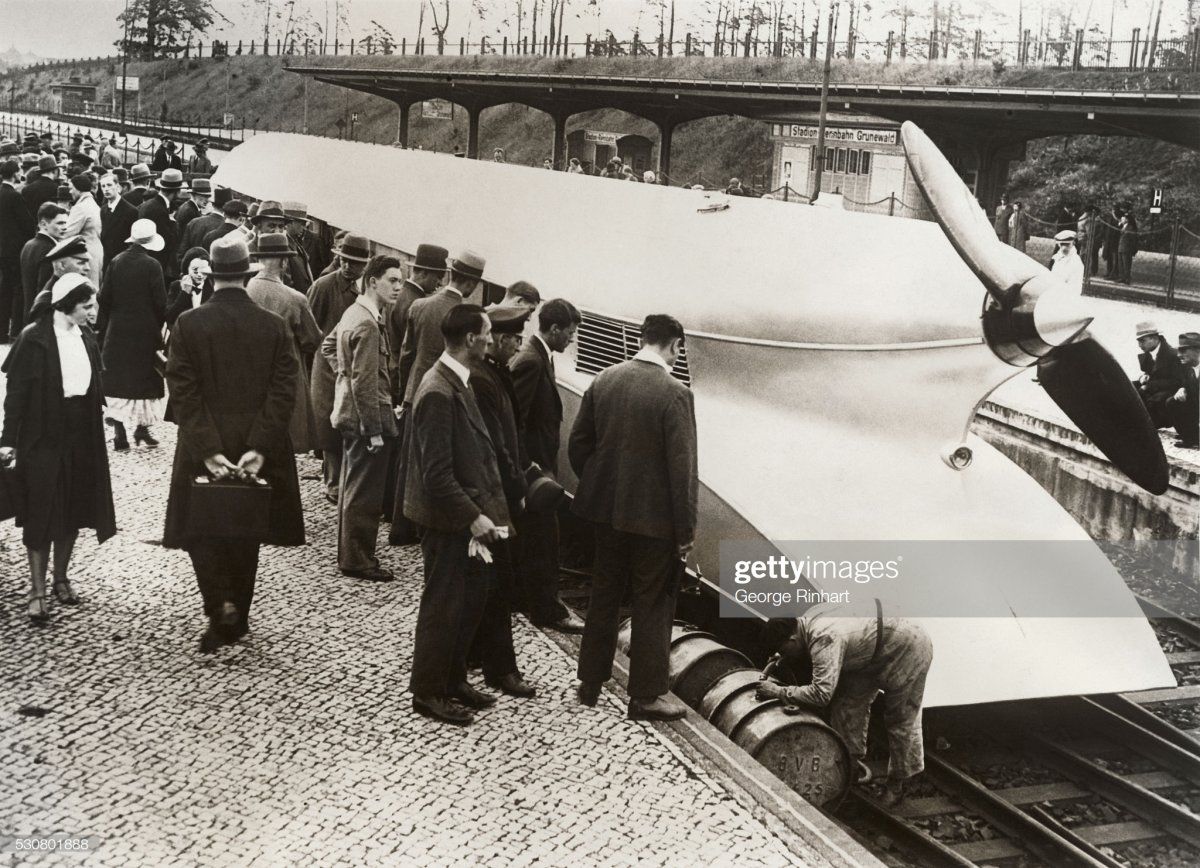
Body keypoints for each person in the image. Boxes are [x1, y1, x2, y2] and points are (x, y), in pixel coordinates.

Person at [162, 234, 304, 653]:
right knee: (246, 529)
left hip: (203, 441)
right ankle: (237, 613)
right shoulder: (273, 326)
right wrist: (259, 447)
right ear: (246, 273)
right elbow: (284, 391)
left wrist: (209, 450)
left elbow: (183, 392)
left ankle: (219, 603)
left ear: (214, 277)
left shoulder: (189, 325)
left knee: (200, 530)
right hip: (256, 442)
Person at [570, 314, 697, 720]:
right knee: (652, 604)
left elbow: (578, 444)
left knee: (603, 592)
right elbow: (683, 471)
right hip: (654, 524)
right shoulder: (675, 394)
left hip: (606, 514)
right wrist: (686, 531)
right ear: (675, 346)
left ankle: (590, 681)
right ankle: (645, 696)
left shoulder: (605, 379)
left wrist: (600, 485)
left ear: (642, 339)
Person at [405, 304, 510, 725]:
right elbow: (436, 474)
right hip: (446, 518)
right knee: (443, 603)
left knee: (469, 597)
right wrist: (473, 517)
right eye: (486, 333)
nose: (490, 338)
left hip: (457, 514)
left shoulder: (455, 380)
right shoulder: (438, 391)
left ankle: (452, 680)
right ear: (470, 338)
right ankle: (427, 691)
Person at [0, 273, 116, 622]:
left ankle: (61, 579)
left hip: (82, 433)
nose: (93, 311)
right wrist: (7, 441)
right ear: (67, 306)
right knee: (42, 510)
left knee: (73, 508)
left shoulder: (86, 337)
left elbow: (94, 385)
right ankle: (36, 591)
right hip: (42, 434)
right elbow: (16, 396)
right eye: (87, 305)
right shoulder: (33, 339)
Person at [757, 605, 934, 807]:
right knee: (847, 704)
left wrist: (778, 691)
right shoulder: (805, 622)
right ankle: (849, 765)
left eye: (783, 649)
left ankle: (897, 785)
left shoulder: (824, 638)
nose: (785, 654)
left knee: (901, 719)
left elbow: (820, 694)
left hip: (908, 645)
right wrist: (783, 655)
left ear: (792, 640)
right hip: (873, 649)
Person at [467, 305, 538, 699]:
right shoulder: (484, 380)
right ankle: (501, 669)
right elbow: (495, 444)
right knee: (500, 582)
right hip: (494, 497)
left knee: (491, 581)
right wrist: (518, 488)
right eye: (515, 338)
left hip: (498, 492)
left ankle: (476, 654)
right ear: (498, 339)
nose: (518, 346)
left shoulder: (493, 374)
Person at [324, 254, 403, 582]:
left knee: (351, 486)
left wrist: (342, 380)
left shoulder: (353, 312)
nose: (398, 288)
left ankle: (351, 553)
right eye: (393, 281)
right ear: (373, 281)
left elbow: (330, 348)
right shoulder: (369, 323)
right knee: (364, 492)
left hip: (349, 415)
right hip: (366, 421)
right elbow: (365, 382)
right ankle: (358, 559)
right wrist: (374, 431)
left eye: (400, 281)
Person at [510, 298, 585, 634]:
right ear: (553, 329)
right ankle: (548, 611)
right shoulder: (531, 361)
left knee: (534, 539)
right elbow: (516, 421)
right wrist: (530, 468)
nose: (571, 340)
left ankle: (525, 601)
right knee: (544, 541)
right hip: (535, 471)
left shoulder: (541, 356)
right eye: (569, 333)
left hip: (538, 468)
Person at [384, 243, 446, 538]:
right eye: (436, 277)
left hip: (405, 385)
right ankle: (403, 521)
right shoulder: (414, 302)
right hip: (408, 385)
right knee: (408, 460)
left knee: (401, 458)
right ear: (423, 273)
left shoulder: (407, 298)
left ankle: (395, 516)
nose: (438, 284)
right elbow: (406, 352)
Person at [308, 232, 371, 503]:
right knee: (329, 426)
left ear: (364, 266)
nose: (348, 266)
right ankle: (333, 483)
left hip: (353, 365)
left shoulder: (364, 290)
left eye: (355, 263)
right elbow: (310, 329)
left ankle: (342, 478)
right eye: (344, 260)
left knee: (349, 423)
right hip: (327, 367)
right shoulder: (323, 286)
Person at [246, 232, 322, 454]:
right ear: (284, 261)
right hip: (286, 375)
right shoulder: (294, 298)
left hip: (249, 373)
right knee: (284, 439)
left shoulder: (245, 291)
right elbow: (312, 340)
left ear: (258, 259)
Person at [99, 218, 167, 451]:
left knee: (118, 382)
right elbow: (160, 304)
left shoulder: (116, 262)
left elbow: (103, 298)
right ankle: (142, 429)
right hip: (144, 332)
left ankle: (120, 432)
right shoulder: (152, 265)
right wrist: (157, 324)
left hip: (118, 331)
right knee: (145, 381)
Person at [400, 251, 486, 408]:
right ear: (471, 283)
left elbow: (406, 356)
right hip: (445, 397)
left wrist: (404, 392)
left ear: (451, 273)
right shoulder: (467, 316)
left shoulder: (419, 305)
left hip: (413, 393)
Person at [1, 158, 35, 342]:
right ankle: (12, 331)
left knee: (3, 288)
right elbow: (27, 223)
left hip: (1, 249)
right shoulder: (14, 196)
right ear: (15, 174)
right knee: (15, 289)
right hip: (13, 251)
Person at [1133, 322, 1186, 429]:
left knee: (1155, 399)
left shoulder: (1173, 355)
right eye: (1138, 341)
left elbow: (1177, 381)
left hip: (1168, 393)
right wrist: (1143, 377)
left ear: (1154, 338)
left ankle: (1152, 422)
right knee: (1128, 386)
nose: (1139, 345)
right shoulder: (1149, 353)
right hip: (1154, 388)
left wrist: (1148, 386)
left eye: (1142, 341)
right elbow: (1151, 372)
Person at [20, 202, 66, 325]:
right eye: (60, 223)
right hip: (42, 319)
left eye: (65, 223)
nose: (65, 227)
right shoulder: (51, 250)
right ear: (43, 224)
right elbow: (45, 290)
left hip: (29, 315)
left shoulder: (29, 245)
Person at [137, 167, 184, 280]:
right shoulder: (160, 210)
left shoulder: (148, 205)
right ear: (176, 191)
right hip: (155, 266)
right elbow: (167, 242)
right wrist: (173, 224)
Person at [64, 174, 103, 289]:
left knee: (86, 289)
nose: (70, 192)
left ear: (78, 189)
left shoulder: (80, 207)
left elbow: (66, 233)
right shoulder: (94, 205)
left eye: (71, 188)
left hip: (85, 255)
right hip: (97, 252)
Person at [98, 172, 137, 275]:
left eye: (109, 185)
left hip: (124, 264)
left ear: (118, 187)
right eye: (103, 186)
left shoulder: (131, 211)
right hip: (107, 263)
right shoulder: (103, 210)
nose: (106, 189)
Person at [179, 187, 228, 265]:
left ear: (212, 203)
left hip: (191, 268)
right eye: (204, 196)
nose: (206, 199)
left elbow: (182, 250)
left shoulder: (194, 222)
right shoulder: (226, 227)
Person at [166, 247, 212, 327]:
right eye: (195, 270)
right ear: (187, 269)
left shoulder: (212, 288)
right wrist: (184, 293)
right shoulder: (176, 286)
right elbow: (170, 317)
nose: (199, 274)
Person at [1168, 332, 1199, 449]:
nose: (1179, 355)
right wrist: (1182, 389)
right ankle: (1191, 438)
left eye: (1184, 351)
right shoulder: (1189, 368)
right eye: (1179, 351)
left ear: (1197, 350)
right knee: (1172, 402)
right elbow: (1186, 383)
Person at [1049, 230, 1084, 295]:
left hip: (1066, 297)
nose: (1064, 247)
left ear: (1073, 243)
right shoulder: (1057, 258)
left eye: (1067, 244)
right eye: (1062, 244)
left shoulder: (1076, 262)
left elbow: (1074, 288)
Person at [1118, 208, 1139, 285]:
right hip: (1121, 247)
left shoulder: (1130, 228)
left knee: (1126, 264)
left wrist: (1133, 249)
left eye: (1123, 218)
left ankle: (1127, 278)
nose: (1121, 219)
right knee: (1121, 264)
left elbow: (1133, 240)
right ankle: (1122, 277)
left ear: (1127, 220)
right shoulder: (1123, 226)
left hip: (1127, 248)